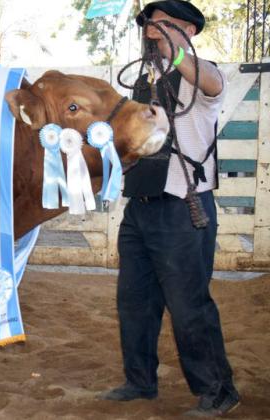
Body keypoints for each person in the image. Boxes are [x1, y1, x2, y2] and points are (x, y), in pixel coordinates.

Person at [97, 1, 241, 417]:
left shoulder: (204, 76)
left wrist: (175, 47)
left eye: (165, 26)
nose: (152, 32)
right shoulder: (144, 80)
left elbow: (209, 79)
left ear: (189, 32)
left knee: (188, 305)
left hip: (184, 208)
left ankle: (219, 390)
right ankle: (139, 381)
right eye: (149, 25)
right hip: (139, 208)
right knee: (134, 302)